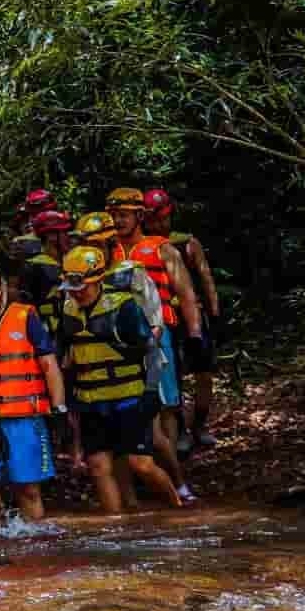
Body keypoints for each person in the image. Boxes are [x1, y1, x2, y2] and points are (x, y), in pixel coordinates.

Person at [76, 209, 193, 502]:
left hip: (138, 367)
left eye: (98, 243)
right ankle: (129, 508)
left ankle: (179, 485)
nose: (93, 248)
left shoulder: (131, 272)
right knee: (116, 450)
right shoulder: (78, 277)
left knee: (153, 437)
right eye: (88, 243)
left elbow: (155, 324)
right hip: (101, 375)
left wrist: (139, 360)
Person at [57, 246, 183, 512]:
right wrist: (66, 405)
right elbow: (64, 360)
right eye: (71, 287)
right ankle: (116, 529)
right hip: (91, 402)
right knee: (99, 467)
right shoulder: (68, 311)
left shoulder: (123, 307)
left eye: (82, 286)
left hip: (128, 397)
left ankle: (177, 505)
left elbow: (152, 351)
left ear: (98, 279)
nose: (76, 292)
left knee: (141, 464)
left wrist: (150, 393)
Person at [107, 188, 205, 502]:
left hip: (158, 339)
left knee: (165, 407)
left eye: (124, 214)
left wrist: (195, 335)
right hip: (118, 344)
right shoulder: (104, 251)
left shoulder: (162, 249)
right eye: (114, 214)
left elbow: (186, 294)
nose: (118, 220)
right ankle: (141, 475)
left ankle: (174, 475)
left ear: (140, 216)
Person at [0, 257, 68, 522]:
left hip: (24, 419)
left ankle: (36, 548)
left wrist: (59, 408)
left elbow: (49, 365)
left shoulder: (24, 316)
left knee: (28, 490)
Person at [144, 188, 221, 452]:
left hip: (193, 315)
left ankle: (200, 424)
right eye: (154, 219)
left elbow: (205, 276)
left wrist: (214, 312)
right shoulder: (143, 247)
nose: (160, 224)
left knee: (203, 372)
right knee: (172, 376)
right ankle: (180, 431)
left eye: (163, 218)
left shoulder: (186, 243)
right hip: (165, 320)